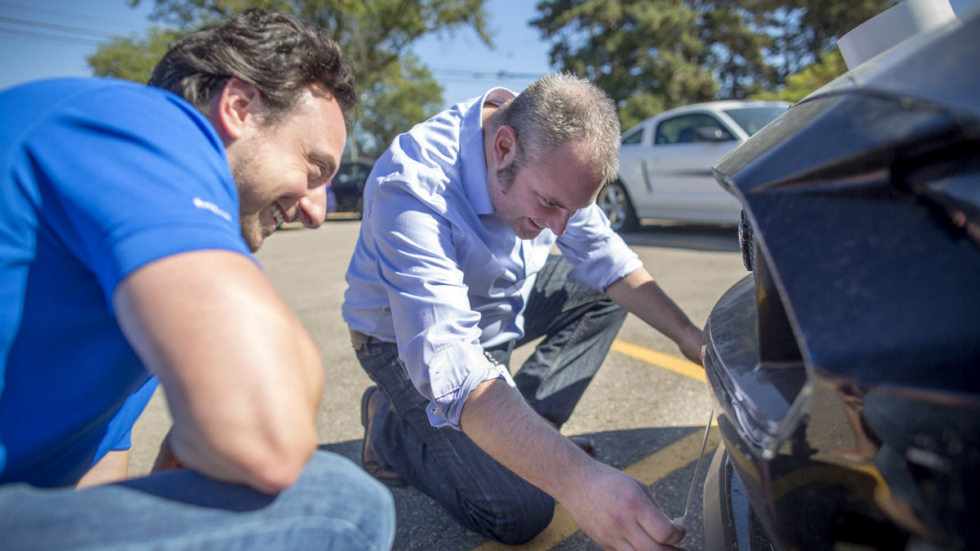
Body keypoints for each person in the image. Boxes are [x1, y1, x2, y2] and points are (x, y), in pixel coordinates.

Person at [0, 10, 394, 550]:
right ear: (238, 107)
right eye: (313, 168)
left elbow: (98, 487)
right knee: (338, 508)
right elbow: (268, 437)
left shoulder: (133, 280)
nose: (316, 211)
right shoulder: (140, 128)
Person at [343, 72, 703, 549]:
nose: (559, 227)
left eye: (573, 211)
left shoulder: (551, 157)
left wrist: (689, 336)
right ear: (503, 147)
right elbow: (449, 363)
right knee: (520, 510)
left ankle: (535, 427)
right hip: (399, 338)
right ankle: (387, 423)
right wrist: (576, 479)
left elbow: (608, 262)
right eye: (549, 204)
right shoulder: (412, 186)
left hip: (494, 309)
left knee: (600, 291)